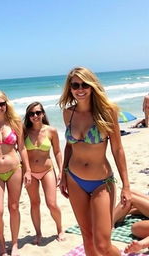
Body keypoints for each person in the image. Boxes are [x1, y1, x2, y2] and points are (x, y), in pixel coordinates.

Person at [59, 67, 131, 256]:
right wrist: (63, 174)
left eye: (85, 84)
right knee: (87, 237)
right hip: (74, 179)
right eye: (75, 85)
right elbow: (69, 146)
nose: (80, 89)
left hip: (101, 182)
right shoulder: (68, 113)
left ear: (92, 86)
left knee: (103, 245)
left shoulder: (107, 112)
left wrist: (126, 186)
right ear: (70, 88)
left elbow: (118, 149)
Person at [0, 90, 31, 256]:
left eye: (1, 103)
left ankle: (14, 243)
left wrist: (28, 170)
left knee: (14, 207)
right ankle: (2, 244)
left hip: (14, 170)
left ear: (6, 104)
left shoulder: (15, 122)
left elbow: (22, 147)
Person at [23, 102, 64, 244]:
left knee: (51, 203)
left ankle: (60, 229)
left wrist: (61, 171)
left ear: (43, 114)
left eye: (38, 113)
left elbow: (57, 151)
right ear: (28, 116)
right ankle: (38, 233)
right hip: (30, 173)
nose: (35, 116)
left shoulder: (51, 131)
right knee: (34, 203)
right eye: (31, 113)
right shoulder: (24, 132)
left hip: (47, 171)